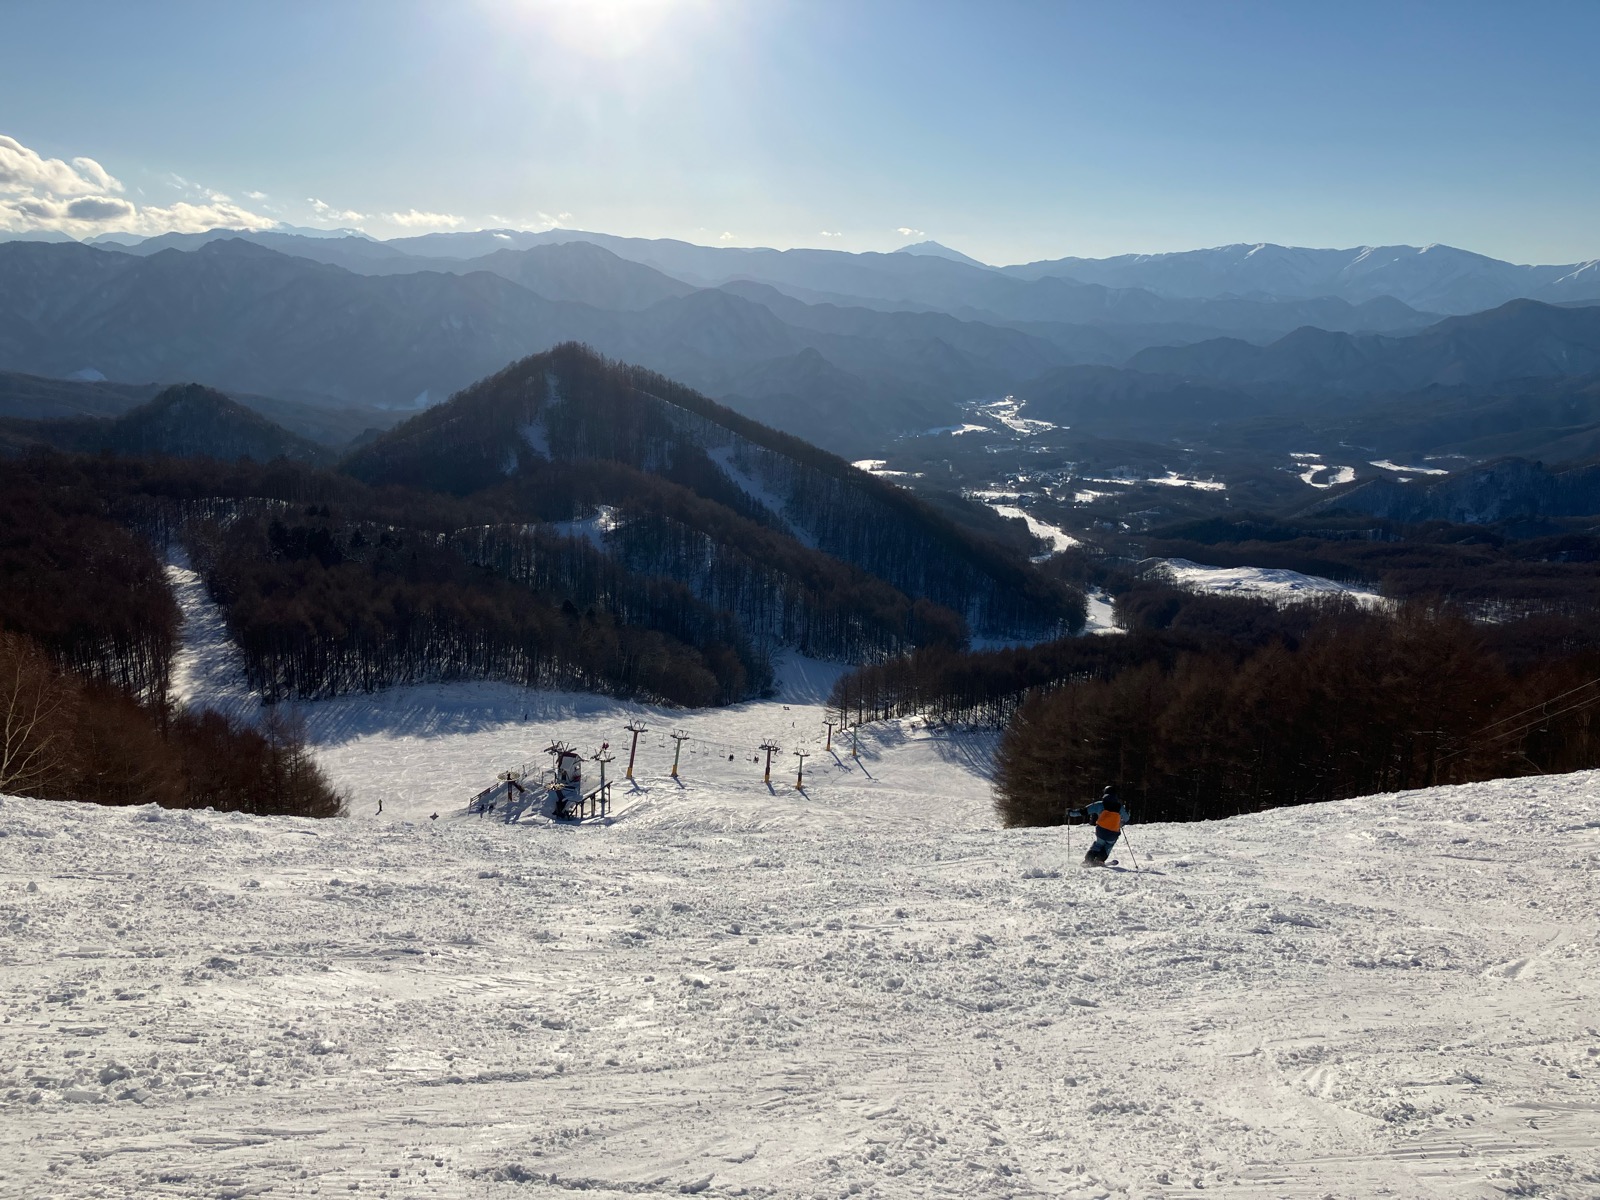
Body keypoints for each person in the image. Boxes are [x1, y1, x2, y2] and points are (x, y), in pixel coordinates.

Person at [1070, 785, 1127, 867]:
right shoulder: (1119, 807)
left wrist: (1071, 813)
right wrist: (1121, 822)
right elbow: (1126, 818)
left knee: (1098, 844)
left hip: (1101, 830)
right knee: (1108, 846)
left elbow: (1084, 811)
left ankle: (1088, 860)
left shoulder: (1100, 805)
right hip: (1113, 833)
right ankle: (1100, 860)